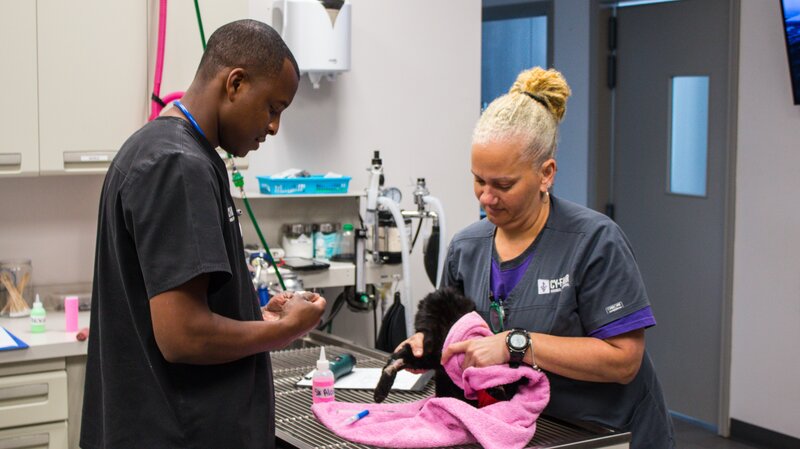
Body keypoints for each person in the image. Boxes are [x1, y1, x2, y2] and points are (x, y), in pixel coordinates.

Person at [80, 20, 326, 449]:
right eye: (273, 107)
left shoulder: (161, 150)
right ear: (235, 83)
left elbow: (183, 303)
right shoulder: (178, 165)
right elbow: (184, 336)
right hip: (180, 433)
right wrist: (286, 331)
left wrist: (255, 314)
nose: (274, 128)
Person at [400, 67, 675, 448]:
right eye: (479, 179)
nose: (486, 197)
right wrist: (427, 346)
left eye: (503, 185)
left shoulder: (594, 242)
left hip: (605, 435)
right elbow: (459, 336)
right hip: (521, 432)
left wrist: (516, 343)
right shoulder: (466, 247)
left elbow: (624, 360)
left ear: (546, 174)